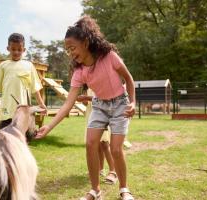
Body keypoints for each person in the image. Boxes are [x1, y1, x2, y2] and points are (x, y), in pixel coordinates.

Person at [36, 15, 135, 200]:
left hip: (120, 103)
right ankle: (95, 190)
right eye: (67, 50)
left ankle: (124, 189)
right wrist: (49, 126)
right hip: (99, 105)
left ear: (86, 42)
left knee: (115, 149)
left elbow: (128, 79)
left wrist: (133, 102)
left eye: (72, 48)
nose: (71, 53)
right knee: (90, 143)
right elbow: (68, 103)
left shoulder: (109, 57)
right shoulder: (79, 72)